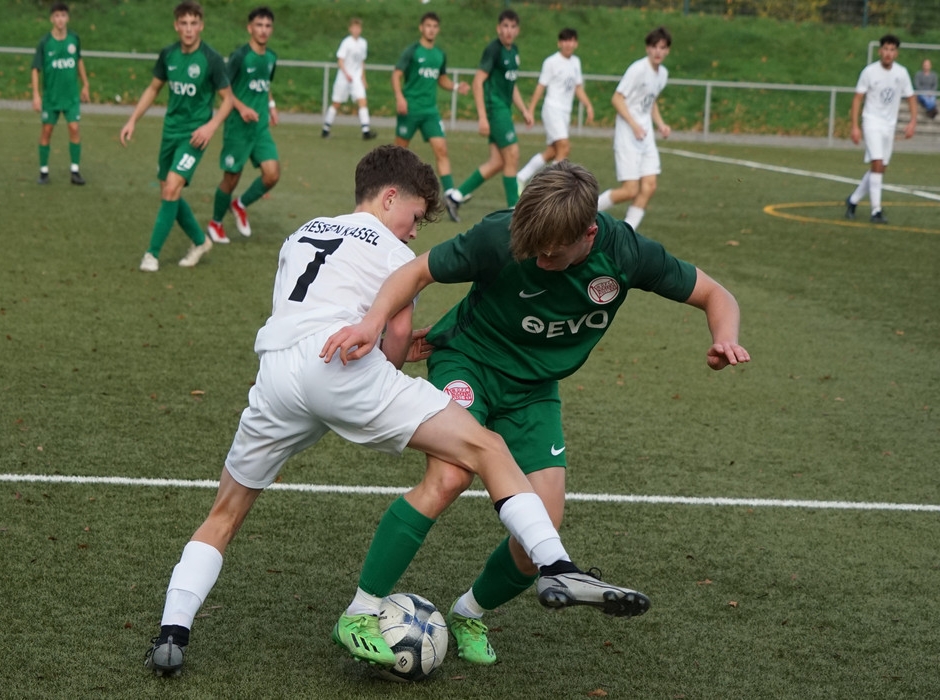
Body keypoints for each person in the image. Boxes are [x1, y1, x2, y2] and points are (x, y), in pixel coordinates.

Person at [144, 145, 621, 677]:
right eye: (415, 217)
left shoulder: (302, 233)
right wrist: (396, 353)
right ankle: (555, 564)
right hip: (340, 366)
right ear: (390, 197)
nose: (414, 232)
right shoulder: (395, 255)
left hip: (276, 374)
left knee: (225, 513)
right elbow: (391, 347)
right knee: (486, 447)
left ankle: (171, 634)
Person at [323, 160, 749, 666]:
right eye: (533, 250)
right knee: (451, 475)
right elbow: (416, 271)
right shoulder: (500, 235)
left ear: (589, 234)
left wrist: (724, 337)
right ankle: (361, 609)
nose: (540, 260)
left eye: (552, 253)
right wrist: (374, 323)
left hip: (534, 390)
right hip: (469, 363)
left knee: (539, 528)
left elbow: (715, 294)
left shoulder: (626, 253)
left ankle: (468, 612)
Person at [120, 1, 232, 272]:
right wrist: (132, 120)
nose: (189, 29)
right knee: (169, 192)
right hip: (170, 132)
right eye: (184, 23)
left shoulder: (211, 59)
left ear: (201, 26)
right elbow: (153, 88)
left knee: (171, 188)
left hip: (195, 136)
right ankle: (200, 242)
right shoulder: (168, 55)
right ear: (176, 26)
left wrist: (210, 127)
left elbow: (228, 100)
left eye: (194, 23)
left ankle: (151, 254)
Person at [444, 9, 533, 222]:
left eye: (512, 27)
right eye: (505, 26)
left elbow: (511, 84)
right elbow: (477, 82)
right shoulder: (493, 49)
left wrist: (524, 110)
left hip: (504, 108)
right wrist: (482, 117)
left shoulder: (514, 51)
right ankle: (514, 211)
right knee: (512, 154)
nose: (508, 31)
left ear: (517, 30)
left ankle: (455, 197)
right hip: (495, 109)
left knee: (497, 162)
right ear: (498, 28)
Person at [206, 6, 280, 245]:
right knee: (231, 178)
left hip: (260, 128)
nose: (263, 30)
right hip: (237, 126)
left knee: (272, 174)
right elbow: (224, 89)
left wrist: (271, 105)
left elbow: (265, 84)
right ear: (250, 28)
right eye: (259, 25)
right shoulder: (240, 56)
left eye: (267, 26)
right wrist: (242, 108)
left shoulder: (271, 58)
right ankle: (215, 223)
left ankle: (240, 204)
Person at [596, 26, 672, 231]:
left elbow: (651, 102)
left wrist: (661, 124)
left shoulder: (663, 74)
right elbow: (617, 98)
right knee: (630, 190)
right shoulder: (638, 69)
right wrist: (633, 124)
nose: (658, 51)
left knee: (649, 186)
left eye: (662, 47)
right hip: (628, 134)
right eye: (654, 47)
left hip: (646, 136)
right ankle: (585, 212)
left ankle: (627, 233)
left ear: (667, 50)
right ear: (648, 48)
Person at [392, 11, 470, 198]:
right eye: (428, 26)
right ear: (421, 28)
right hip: (410, 108)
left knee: (441, 149)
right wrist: (400, 98)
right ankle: (392, 188)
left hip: (430, 111)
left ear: (438, 29)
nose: (431, 30)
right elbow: (396, 74)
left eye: (434, 26)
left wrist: (456, 86)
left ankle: (450, 195)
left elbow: (441, 79)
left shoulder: (439, 55)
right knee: (399, 152)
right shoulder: (412, 51)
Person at [844, 34, 916, 225]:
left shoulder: (901, 73)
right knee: (876, 162)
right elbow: (857, 98)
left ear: (896, 53)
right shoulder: (869, 72)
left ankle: (853, 200)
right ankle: (876, 210)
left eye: (892, 50)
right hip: (871, 122)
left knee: (880, 168)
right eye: (885, 49)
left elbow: (911, 97)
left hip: (889, 126)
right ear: (879, 51)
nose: (888, 53)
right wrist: (854, 126)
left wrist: (912, 122)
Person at [516, 28, 594, 192]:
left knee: (553, 151)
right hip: (552, 109)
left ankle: (521, 176)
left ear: (576, 43)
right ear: (559, 43)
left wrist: (588, 105)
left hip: (565, 113)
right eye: (565, 40)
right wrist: (530, 110)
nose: (568, 44)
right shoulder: (551, 62)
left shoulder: (576, 62)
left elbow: (578, 87)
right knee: (564, 147)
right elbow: (541, 86)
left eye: (571, 40)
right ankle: (551, 188)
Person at [31, 3, 90, 186]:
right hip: (51, 98)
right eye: (56, 16)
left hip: (71, 96)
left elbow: (78, 60)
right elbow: (35, 69)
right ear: (52, 19)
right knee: (47, 131)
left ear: (68, 18)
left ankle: (75, 171)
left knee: (74, 129)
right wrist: (36, 95)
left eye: (63, 15)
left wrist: (85, 84)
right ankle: (43, 172)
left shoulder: (74, 39)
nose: (60, 19)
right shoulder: (45, 42)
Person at [321, 18, 376, 140]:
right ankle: (326, 129)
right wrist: (346, 74)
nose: (356, 30)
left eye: (358, 28)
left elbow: (362, 62)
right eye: (354, 28)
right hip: (344, 77)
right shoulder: (346, 42)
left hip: (356, 78)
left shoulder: (363, 43)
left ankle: (366, 131)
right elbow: (340, 61)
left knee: (362, 101)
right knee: (336, 103)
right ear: (350, 29)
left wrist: (363, 78)